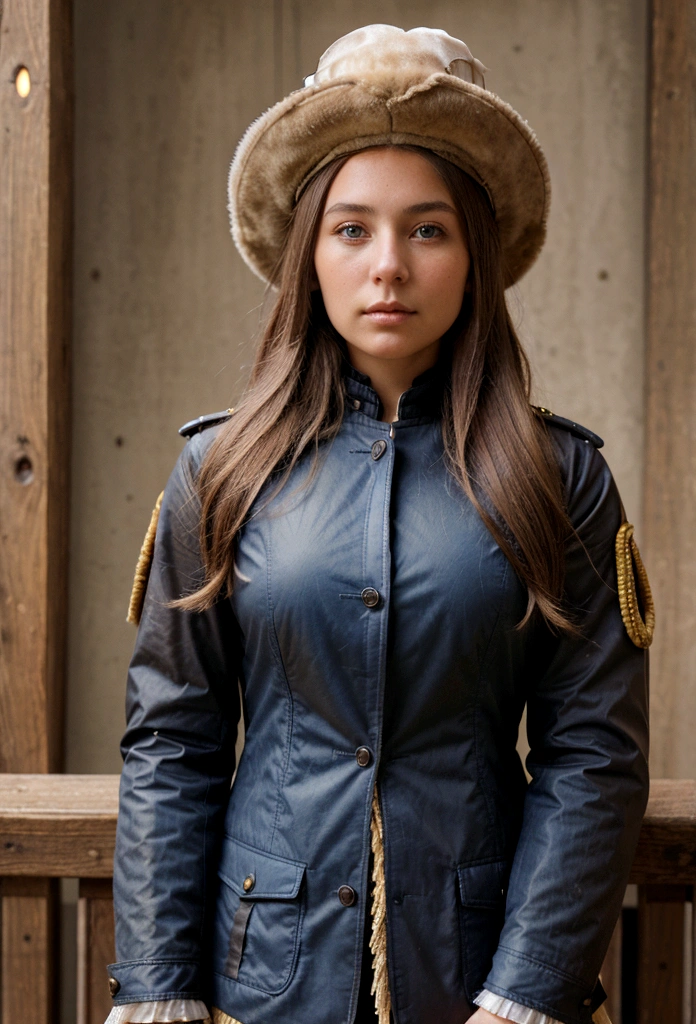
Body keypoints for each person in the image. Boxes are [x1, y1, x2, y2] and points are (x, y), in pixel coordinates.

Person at [104, 24, 652, 1024]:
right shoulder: (219, 468)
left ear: (474, 251)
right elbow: (172, 742)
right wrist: (158, 985)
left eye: (427, 229)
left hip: (476, 982)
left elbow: (592, 752)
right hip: (256, 979)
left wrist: (526, 992)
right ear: (307, 252)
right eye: (352, 229)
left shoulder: (559, 474)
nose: (388, 265)